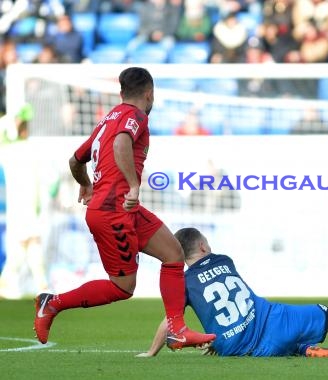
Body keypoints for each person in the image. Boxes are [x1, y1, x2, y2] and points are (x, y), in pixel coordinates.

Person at [33, 67, 216, 350]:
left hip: (118, 207)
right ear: (150, 93)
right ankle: (51, 304)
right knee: (122, 287)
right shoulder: (136, 116)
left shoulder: (109, 118)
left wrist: (86, 183)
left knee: (173, 254)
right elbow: (121, 143)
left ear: (121, 93)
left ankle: (177, 329)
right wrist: (133, 184)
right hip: (112, 211)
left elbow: (74, 160)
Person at [137, 228, 328, 358]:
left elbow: (170, 324)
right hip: (273, 321)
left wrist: (152, 352)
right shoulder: (224, 260)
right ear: (204, 246)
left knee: (276, 345)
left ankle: (308, 350)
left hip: (239, 349)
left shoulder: (181, 282)